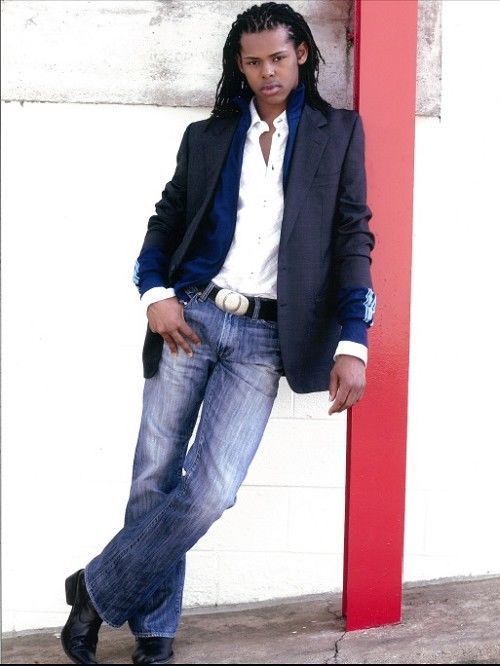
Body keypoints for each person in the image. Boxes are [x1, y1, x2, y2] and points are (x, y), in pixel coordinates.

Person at [61, 2, 376, 663]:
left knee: (212, 491)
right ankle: (154, 633)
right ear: (240, 64)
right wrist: (155, 294)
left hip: (264, 338)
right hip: (192, 318)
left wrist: (355, 338)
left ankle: (94, 591)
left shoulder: (339, 132)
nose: (268, 72)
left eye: (279, 58)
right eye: (254, 61)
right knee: (154, 474)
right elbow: (167, 219)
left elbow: (353, 237)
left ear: (302, 55)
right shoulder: (207, 136)